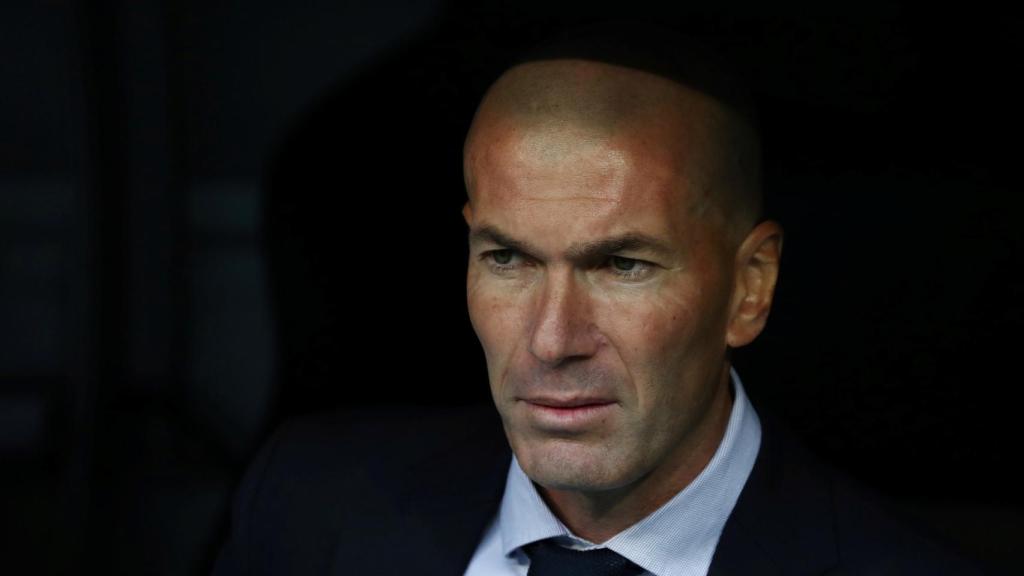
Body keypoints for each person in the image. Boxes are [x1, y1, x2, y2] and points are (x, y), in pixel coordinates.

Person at [211, 24, 986, 576]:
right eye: (508, 258)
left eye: (620, 265)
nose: (552, 340)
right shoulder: (304, 508)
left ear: (750, 287)